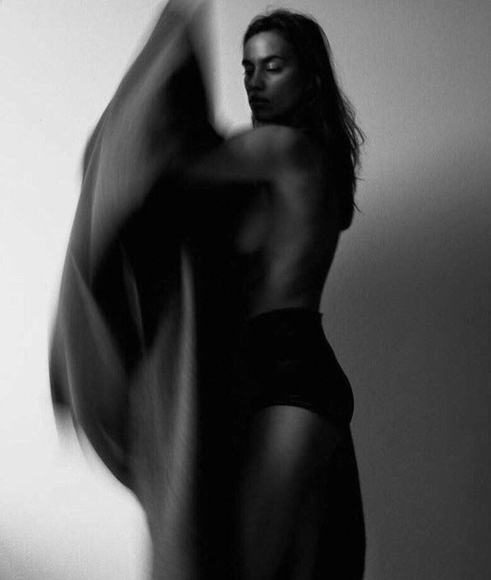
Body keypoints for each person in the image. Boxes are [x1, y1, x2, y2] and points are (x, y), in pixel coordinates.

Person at [182, 9, 366, 579]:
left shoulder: (283, 149)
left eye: (273, 66)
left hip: (291, 374)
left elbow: (169, 167)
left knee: (239, 569)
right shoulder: (308, 162)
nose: (255, 82)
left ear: (309, 79)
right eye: (247, 68)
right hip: (277, 372)